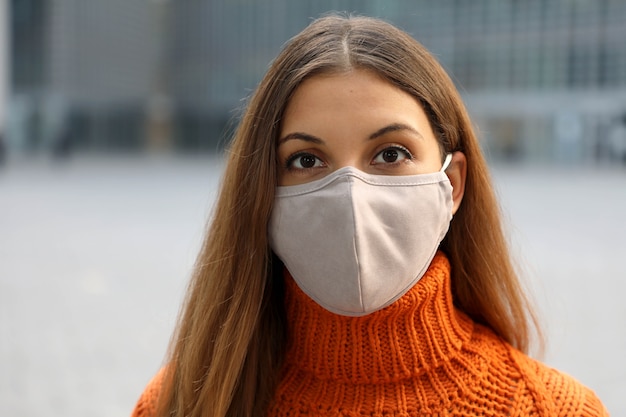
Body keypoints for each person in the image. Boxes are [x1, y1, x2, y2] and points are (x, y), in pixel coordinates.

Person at [131, 14, 608, 417]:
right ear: (261, 193)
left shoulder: (552, 408)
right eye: (306, 160)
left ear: (453, 184)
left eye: (390, 152)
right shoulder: (182, 402)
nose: (351, 195)